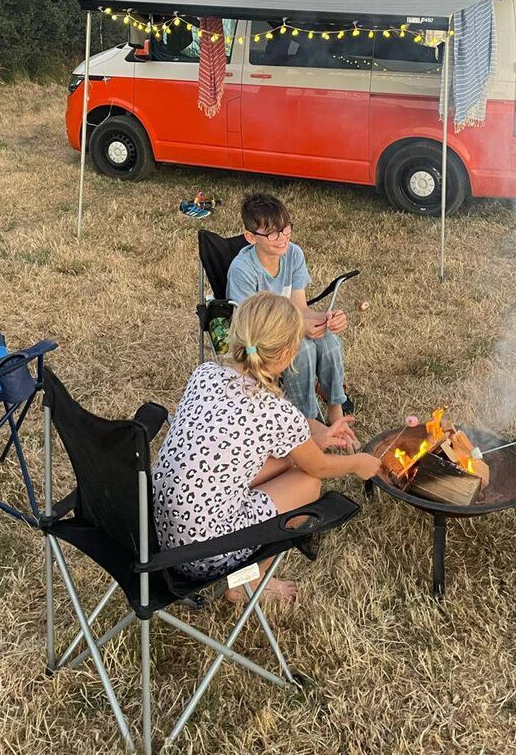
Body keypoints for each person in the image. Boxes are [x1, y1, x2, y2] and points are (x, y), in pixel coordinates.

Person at [152, 292, 380, 601]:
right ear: (289, 354)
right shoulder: (275, 411)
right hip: (206, 555)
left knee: (285, 462)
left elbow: (250, 449)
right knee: (307, 482)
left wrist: (315, 439)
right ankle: (249, 581)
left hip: (160, 535)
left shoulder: (204, 374)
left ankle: (245, 577)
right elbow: (319, 467)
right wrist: (358, 464)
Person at [226, 192, 354, 441]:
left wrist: (327, 318)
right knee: (303, 349)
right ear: (251, 237)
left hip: (287, 325)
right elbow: (250, 325)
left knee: (328, 340)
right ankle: (305, 420)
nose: (282, 238)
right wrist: (299, 328)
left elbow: (300, 307)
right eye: (272, 234)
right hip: (259, 337)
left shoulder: (294, 254)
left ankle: (336, 410)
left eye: (285, 229)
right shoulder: (243, 269)